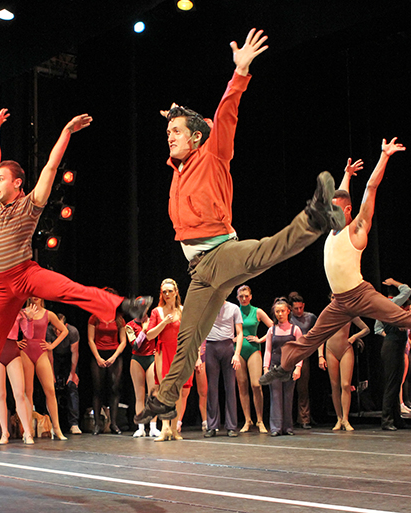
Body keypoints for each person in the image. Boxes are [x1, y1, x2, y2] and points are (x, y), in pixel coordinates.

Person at [136, 28, 345, 424]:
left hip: (219, 252)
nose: (169, 137)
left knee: (262, 250)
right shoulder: (177, 170)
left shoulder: (212, 153)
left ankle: (315, 217)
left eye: (176, 133)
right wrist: (176, 116)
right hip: (199, 270)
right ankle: (164, 399)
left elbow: (225, 113)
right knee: (188, 338)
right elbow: (186, 125)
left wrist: (240, 72)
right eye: (167, 133)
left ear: (197, 138)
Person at [0, 109, 152, 430]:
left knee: (67, 289)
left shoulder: (31, 203)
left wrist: (66, 132)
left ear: (17, 183)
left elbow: (51, 166)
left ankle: (126, 305)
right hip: (1, 286)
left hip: (25, 273)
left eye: (1, 179)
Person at [261, 142, 411, 384]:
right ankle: (283, 367)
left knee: (404, 318)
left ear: (348, 212)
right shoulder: (334, 229)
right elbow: (341, 197)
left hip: (361, 294)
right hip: (339, 301)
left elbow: (370, 187)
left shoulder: (357, 228)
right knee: (313, 336)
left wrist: (384, 156)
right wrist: (346, 175)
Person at [16, 298, 69, 440]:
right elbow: (8, 328)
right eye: (33, 294)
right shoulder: (21, 312)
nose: (36, 297)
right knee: (28, 392)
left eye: (38, 294)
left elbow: (64, 331)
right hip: (26, 350)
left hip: (41, 351)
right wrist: (15, 342)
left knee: (50, 390)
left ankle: (57, 428)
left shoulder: (48, 314)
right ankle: (28, 431)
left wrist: (52, 345)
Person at [317, 297, 369, 431]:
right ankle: (339, 418)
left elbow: (366, 329)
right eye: (333, 297)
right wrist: (320, 355)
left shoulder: (349, 312)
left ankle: (346, 418)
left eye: (337, 297)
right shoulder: (327, 314)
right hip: (330, 350)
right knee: (334, 386)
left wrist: (354, 337)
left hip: (345, 348)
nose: (335, 299)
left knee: (345, 384)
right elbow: (320, 334)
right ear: (330, 298)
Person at [145, 279, 188, 441]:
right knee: (164, 391)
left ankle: (174, 429)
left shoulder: (183, 310)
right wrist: (164, 322)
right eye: (165, 292)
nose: (168, 294)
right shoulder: (157, 311)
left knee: (178, 391)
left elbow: (188, 333)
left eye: (170, 291)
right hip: (163, 352)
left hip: (179, 352)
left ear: (176, 292)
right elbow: (149, 335)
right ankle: (165, 428)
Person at [374, 278, 411, 430]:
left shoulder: (387, 307)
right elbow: (407, 290)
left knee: (396, 384)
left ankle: (396, 419)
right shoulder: (391, 304)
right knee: (392, 384)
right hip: (392, 347)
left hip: (395, 345)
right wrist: (394, 282)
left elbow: (378, 328)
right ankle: (387, 420)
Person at [235, 285, 274, 433]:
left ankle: (260, 420)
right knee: (242, 385)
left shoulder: (257, 311)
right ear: (237, 298)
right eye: (241, 296)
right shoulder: (235, 311)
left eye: (246, 296)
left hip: (253, 350)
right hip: (238, 351)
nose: (244, 299)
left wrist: (260, 340)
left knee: (256, 385)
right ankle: (247, 420)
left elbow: (272, 327)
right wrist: (232, 339)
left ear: (250, 296)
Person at [87, 290, 126, 436]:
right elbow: (90, 339)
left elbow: (123, 341)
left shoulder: (119, 319)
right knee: (98, 389)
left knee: (115, 388)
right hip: (99, 354)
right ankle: (97, 424)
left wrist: (114, 357)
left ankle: (113, 423)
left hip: (114, 355)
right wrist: (97, 357)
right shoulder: (94, 317)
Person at [203, 301, 243, 438]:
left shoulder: (234, 308)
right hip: (211, 347)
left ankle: (231, 426)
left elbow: (240, 332)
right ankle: (212, 426)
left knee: (230, 387)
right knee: (212, 388)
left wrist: (237, 354)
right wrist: (198, 355)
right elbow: (200, 331)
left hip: (228, 347)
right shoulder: (207, 306)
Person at [263, 298, 303, 436]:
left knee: (288, 396)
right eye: (277, 312)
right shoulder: (271, 330)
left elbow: (300, 351)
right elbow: (268, 350)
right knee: (275, 396)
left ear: (288, 312)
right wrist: (265, 368)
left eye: (282, 311)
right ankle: (276, 428)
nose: (280, 314)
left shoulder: (295, 329)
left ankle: (288, 427)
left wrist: (298, 367)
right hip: (275, 367)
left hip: (289, 367)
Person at [0, 322, 35, 445]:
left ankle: (27, 431)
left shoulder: (17, 313)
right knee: (0, 395)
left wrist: (30, 320)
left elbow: (29, 335)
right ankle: (4, 432)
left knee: (19, 394)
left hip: (12, 351)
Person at [126, 307, 161, 438]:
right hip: (137, 359)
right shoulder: (129, 325)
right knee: (139, 395)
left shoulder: (153, 321)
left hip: (151, 358)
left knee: (153, 395)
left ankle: (153, 427)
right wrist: (144, 331)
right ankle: (141, 427)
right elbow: (135, 345)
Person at [49, 313, 82, 434]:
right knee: (50, 388)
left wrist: (72, 373)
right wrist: (51, 374)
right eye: (55, 328)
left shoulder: (72, 331)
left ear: (65, 325)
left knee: (72, 387)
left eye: (59, 328)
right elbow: (49, 353)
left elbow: (75, 353)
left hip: (68, 359)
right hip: (54, 358)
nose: (57, 331)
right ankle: (52, 423)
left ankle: (74, 424)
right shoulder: (48, 331)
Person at [289, 293, 318, 429]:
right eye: (296, 308)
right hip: (289, 354)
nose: (299, 311)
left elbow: (318, 333)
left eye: (300, 308)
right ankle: (287, 418)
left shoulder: (310, 317)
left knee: (303, 388)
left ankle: (304, 418)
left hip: (304, 354)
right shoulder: (287, 318)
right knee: (287, 388)